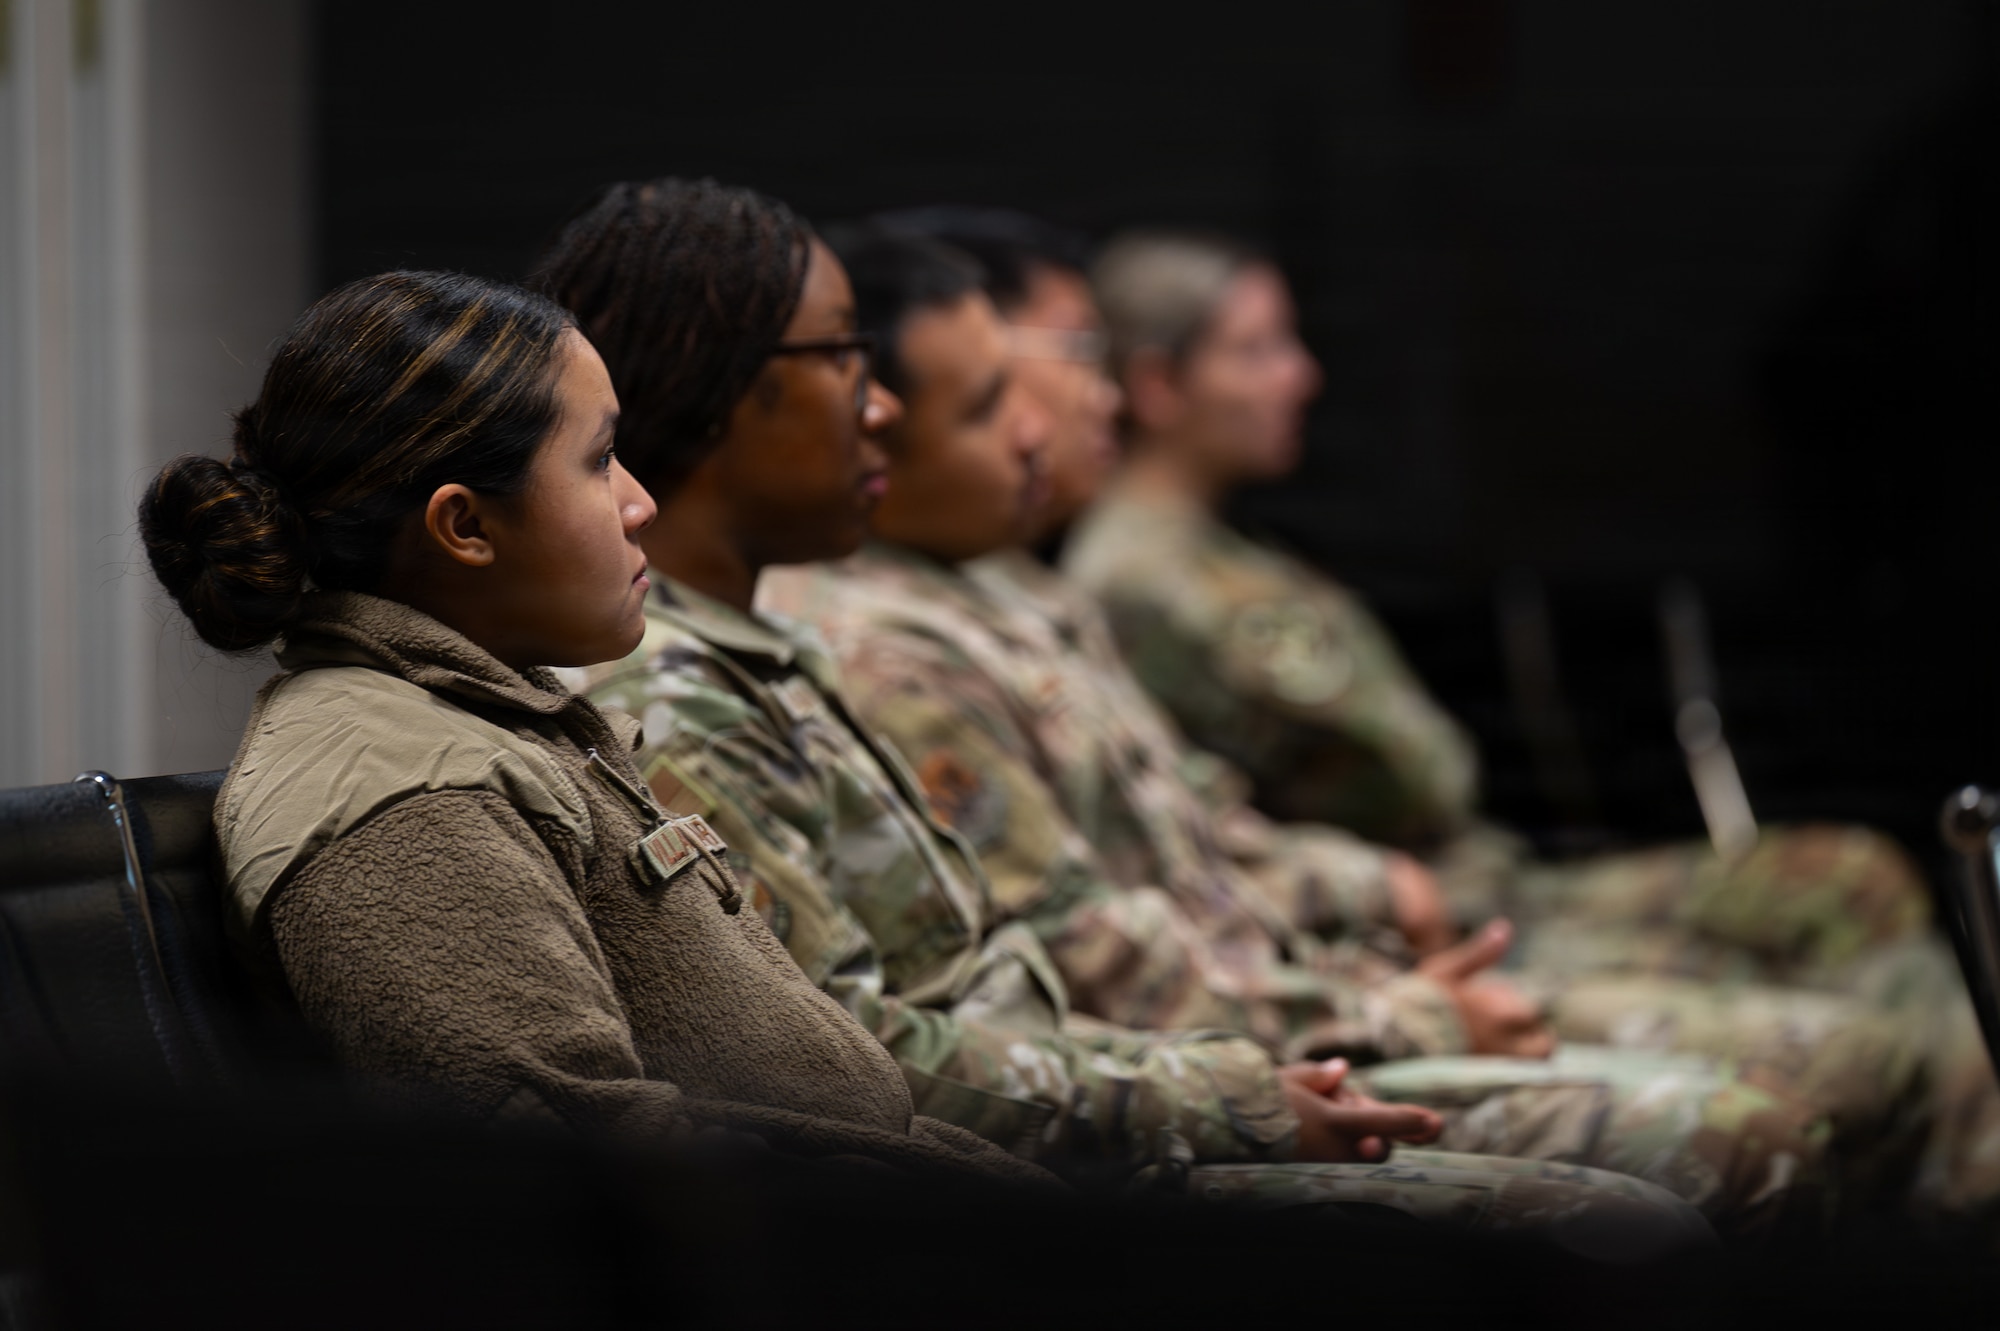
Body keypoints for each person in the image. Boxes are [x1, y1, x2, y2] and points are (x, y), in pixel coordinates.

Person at [528, 177, 1715, 1244]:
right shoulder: (679, 698)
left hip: (1097, 1101)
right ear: (720, 385)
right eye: (846, 358)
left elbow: (1049, 949)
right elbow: (856, 1066)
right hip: (995, 1189)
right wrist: (1237, 1088)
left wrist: (1241, 1067)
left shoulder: (778, 650)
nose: (879, 407)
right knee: (1648, 1208)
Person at [755, 224, 1845, 1235]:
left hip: (1248, 1027)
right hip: (1181, 1072)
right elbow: (1075, 973)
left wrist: (1376, 955)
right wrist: (1398, 1014)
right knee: (1745, 1130)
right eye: (995, 397)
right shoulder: (891, 646)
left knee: (1836, 958)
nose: (1055, 415)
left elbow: (1209, 844)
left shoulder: (1006, 594)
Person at [135, 268, 1053, 1189]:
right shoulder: (407, 792)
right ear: (465, 525)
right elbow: (570, 1178)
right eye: (600, 459)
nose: (639, 500)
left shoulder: (486, 714)